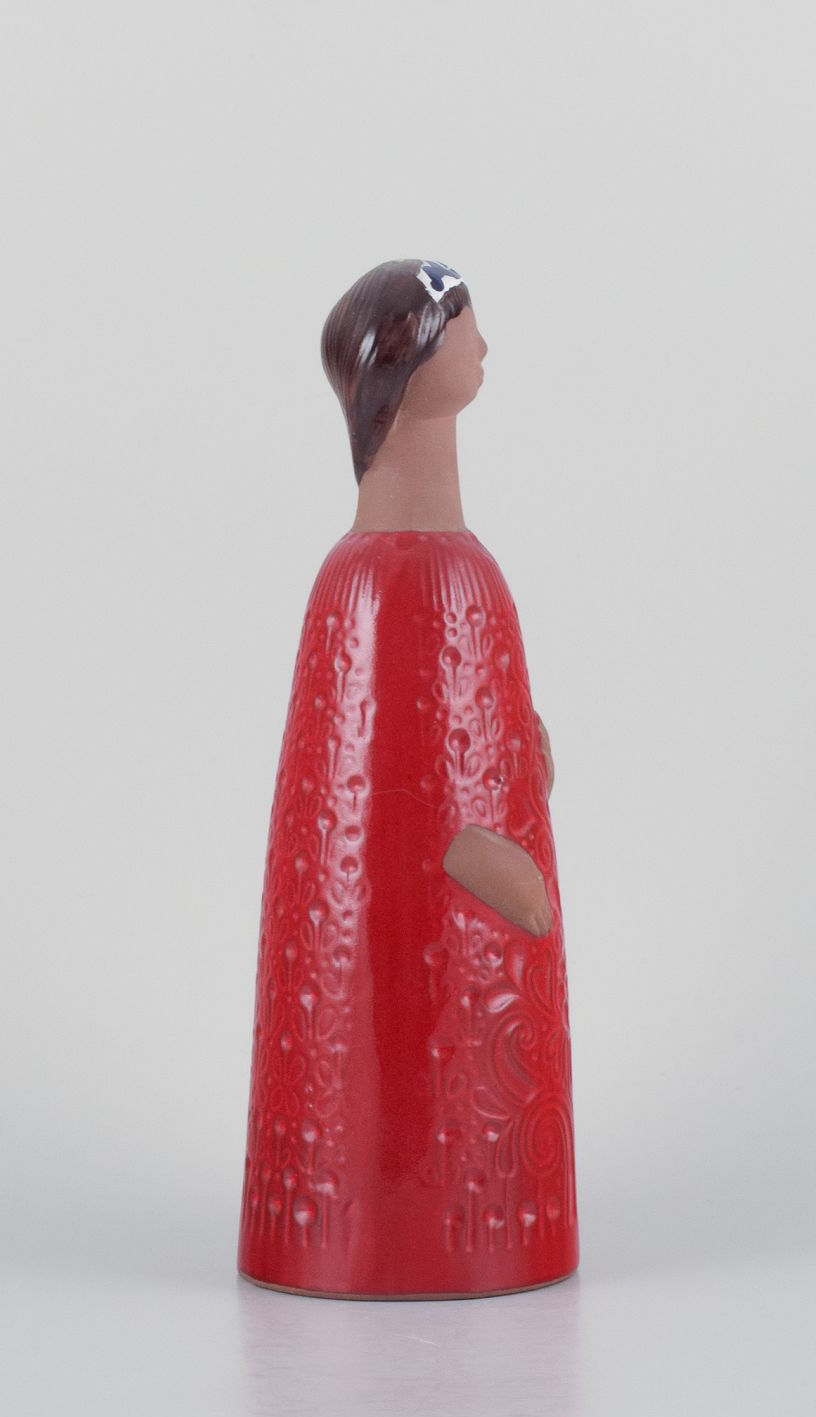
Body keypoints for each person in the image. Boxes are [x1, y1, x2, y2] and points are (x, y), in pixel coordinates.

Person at [238, 259, 578, 1298]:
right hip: (480, 890)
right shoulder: (369, 583)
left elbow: (477, 759)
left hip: (493, 918)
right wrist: (490, 859)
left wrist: (523, 758)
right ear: (408, 365)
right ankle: (366, 1230)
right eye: (463, 324)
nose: (484, 345)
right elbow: (374, 815)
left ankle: (448, 1223)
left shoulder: (458, 572)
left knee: (480, 1047)